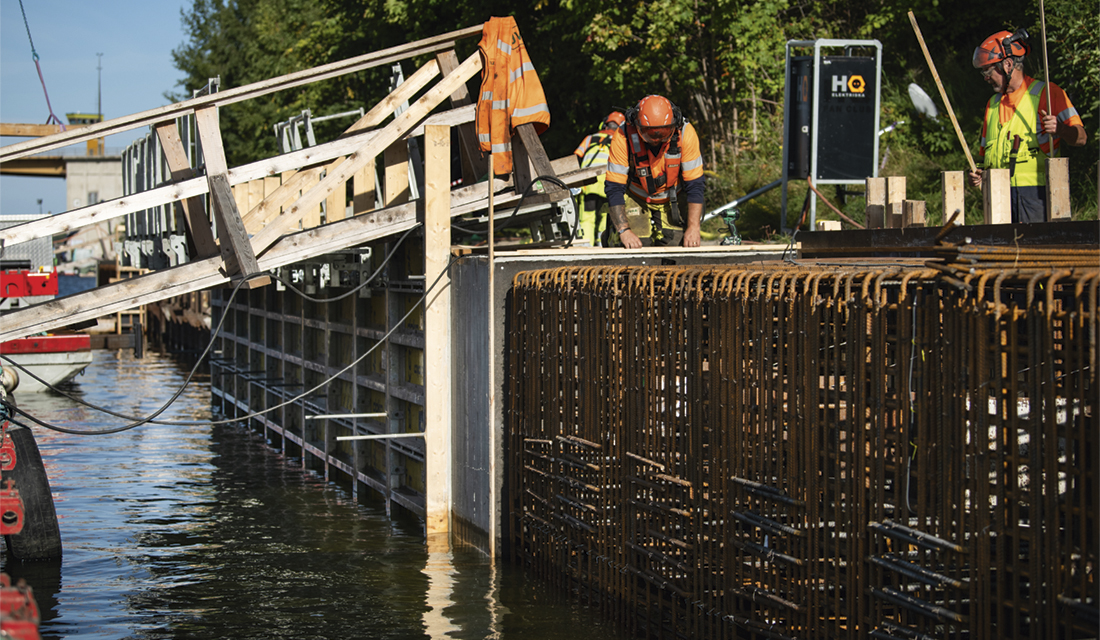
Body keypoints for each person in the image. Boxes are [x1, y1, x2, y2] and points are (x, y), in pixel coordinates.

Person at [967, 29, 1087, 223]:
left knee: (1035, 253)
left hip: (1036, 197)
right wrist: (979, 174)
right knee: (1001, 253)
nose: (985, 77)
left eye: (988, 71)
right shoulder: (993, 104)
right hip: (997, 198)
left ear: (1007, 64)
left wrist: (1061, 130)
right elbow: (984, 157)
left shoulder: (1047, 93)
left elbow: (1081, 138)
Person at [605, 95, 705, 248]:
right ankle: (613, 234)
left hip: (672, 197)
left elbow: (695, 185)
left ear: (674, 124)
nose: (656, 139)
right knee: (635, 247)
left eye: (663, 132)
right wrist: (624, 230)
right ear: (637, 126)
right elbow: (614, 187)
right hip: (637, 196)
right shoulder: (623, 134)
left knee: (677, 247)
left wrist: (694, 228)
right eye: (649, 133)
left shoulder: (685, 133)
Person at [573, 111, 626, 246]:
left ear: (605, 124)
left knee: (587, 218)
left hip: (589, 182)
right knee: (605, 217)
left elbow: (576, 157)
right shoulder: (620, 141)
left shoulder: (590, 138)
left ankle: (586, 249)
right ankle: (602, 245)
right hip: (609, 184)